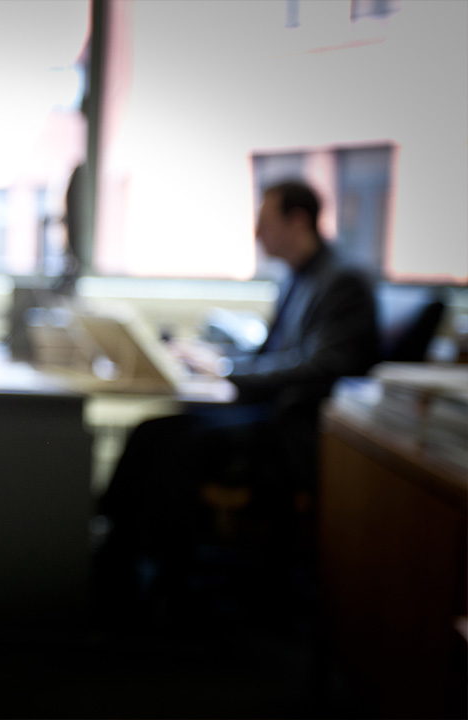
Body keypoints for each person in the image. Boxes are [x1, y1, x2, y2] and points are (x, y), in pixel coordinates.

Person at [94, 179, 379, 620]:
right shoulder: (299, 278)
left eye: (265, 221)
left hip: (296, 430)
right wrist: (213, 358)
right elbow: (274, 355)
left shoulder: (341, 281)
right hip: (269, 411)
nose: (257, 233)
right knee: (155, 429)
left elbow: (324, 366)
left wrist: (229, 372)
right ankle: (118, 558)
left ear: (297, 219)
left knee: (181, 444)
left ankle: (166, 586)